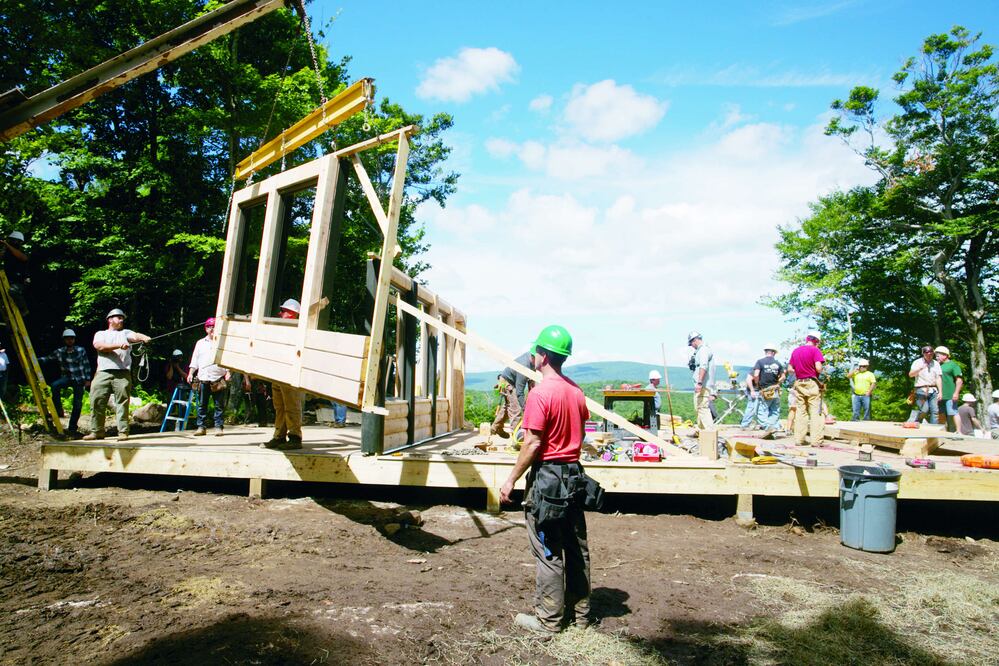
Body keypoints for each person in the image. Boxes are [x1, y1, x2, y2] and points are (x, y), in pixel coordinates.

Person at [499, 325, 591, 634]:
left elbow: (533, 443)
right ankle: (580, 616)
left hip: (548, 480)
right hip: (574, 476)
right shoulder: (576, 391)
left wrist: (511, 480)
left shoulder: (540, 394)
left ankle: (548, 621)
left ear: (543, 356)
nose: (534, 356)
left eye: (536, 352)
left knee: (548, 548)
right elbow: (579, 430)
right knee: (576, 549)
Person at [84, 308, 151, 441]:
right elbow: (100, 346)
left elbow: (135, 336)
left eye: (122, 318)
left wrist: (144, 337)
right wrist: (119, 345)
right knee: (97, 401)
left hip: (122, 373)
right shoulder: (100, 334)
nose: (121, 320)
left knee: (122, 403)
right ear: (110, 319)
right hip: (103, 372)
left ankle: (123, 432)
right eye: (118, 318)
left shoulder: (126, 333)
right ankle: (96, 432)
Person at [262, 299, 304, 450]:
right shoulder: (281, 329)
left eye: (284, 311)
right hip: (278, 372)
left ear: (292, 314)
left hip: (290, 373)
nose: (280, 313)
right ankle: (279, 436)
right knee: (279, 406)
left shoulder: (299, 330)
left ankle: (295, 437)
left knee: (291, 405)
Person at [39, 328, 91, 435]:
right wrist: (35, 359)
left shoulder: (80, 350)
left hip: (79, 379)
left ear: (74, 339)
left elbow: (86, 365)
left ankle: (72, 427)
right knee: (55, 385)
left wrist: (88, 379)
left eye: (71, 338)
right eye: (67, 339)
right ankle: (59, 409)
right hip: (67, 377)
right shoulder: (60, 352)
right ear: (64, 340)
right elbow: (47, 358)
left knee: (77, 404)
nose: (69, 340)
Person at [187, 317, 230, 436]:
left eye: (214, 327)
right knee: (202, 405)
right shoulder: (200, 343)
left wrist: (228, 372)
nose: (212, 329)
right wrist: (190, 373)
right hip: (203, 378)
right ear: (206, 329)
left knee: (219, 406)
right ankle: (201, 427)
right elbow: (194, 360)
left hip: (218, 378)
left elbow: (227, 359)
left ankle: (218, 427)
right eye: (209, 327)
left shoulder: (222, 342)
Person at [788, 331, 825, 446]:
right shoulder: (815, 350)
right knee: (815, 412)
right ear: (816, 341)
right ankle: (816, 441)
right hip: (811, 383)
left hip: (799, 383)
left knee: (801, 411)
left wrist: (800, 370)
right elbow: (818, 368)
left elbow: (790, 369)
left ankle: (799, 439)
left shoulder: (796, 351)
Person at [492, 351, 535, 438]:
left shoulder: (533, 358)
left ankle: (496, 427)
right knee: (516, 410)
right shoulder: (524, 366)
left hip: (511, 380)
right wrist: (525, 409)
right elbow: (519, 392)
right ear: (534, 357)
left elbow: (531, 380)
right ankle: (517, 439)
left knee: (509, 407)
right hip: (509, 383)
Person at [752, 344, 785, 431]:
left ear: (765, 352)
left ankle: (767, 427)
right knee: (775, 410)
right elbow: (783, 377)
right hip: (775, 389)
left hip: (765, 390)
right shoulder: (778, 363)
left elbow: (756, 374)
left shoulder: (760, 362)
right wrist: (777, 382)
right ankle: (773, 426)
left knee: (762, 410)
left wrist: (757, 383)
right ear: (773, 353)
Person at [907, 345, 942, 424]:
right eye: (927, 353)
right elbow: (911, 375)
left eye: (931, 353)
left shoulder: (936, 363)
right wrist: (920, 368)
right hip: (921, 389)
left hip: (933, 390)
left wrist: (940, 392)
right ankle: (915, 421)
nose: (929, 355)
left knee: (935, 411)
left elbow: (938, 378)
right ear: (923, 354)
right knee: (924, 410)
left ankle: (933, 429)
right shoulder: (917, 362)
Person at [687, 331, 714, 432]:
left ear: (695, 340)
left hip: (703, 384)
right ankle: (700, 431)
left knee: (702, 407)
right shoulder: (700, 351)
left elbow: (703, 366)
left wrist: (699, 382)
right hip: (701, 384)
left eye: (691, 343)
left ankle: (709, 432)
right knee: (698, 407)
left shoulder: (703, 350)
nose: (691, 346)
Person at [935, 346, 963, 432]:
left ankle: (958, 431)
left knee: (953, 412)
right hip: (939, 395)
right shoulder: (937, 366)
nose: (936, 357)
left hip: (950, 394)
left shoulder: (953, 365)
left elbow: (959, 380)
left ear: (945, 355)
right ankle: (943, 432)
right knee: (941, 414)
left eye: (938, 356)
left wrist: (956, 393)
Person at [2, 230, 30, 314]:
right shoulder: (7, 252)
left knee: (13, 291)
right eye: (11, 240)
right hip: (7, 280)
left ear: (19, 242)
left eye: (14, 240)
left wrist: (6, 244)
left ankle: (23, 309)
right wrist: (4, 249)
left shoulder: (21, 252)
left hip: (20, 282)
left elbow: (22, 257)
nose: (12, 242)